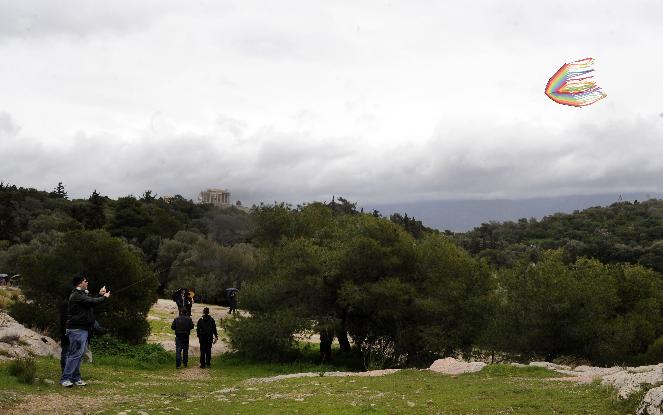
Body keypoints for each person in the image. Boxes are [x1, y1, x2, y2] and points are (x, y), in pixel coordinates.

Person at [60, 274, 110, 387]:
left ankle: (76, 378)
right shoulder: (76, 295)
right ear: (80, 283)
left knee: (79, 354)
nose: (87, 283)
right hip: (77, 329)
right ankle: (65, 379)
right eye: (85, 281)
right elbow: (92, 302)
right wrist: (104, 297)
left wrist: (99, 295)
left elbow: (89, 303)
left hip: (83, 329)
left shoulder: (81, 295)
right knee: (74, 354)